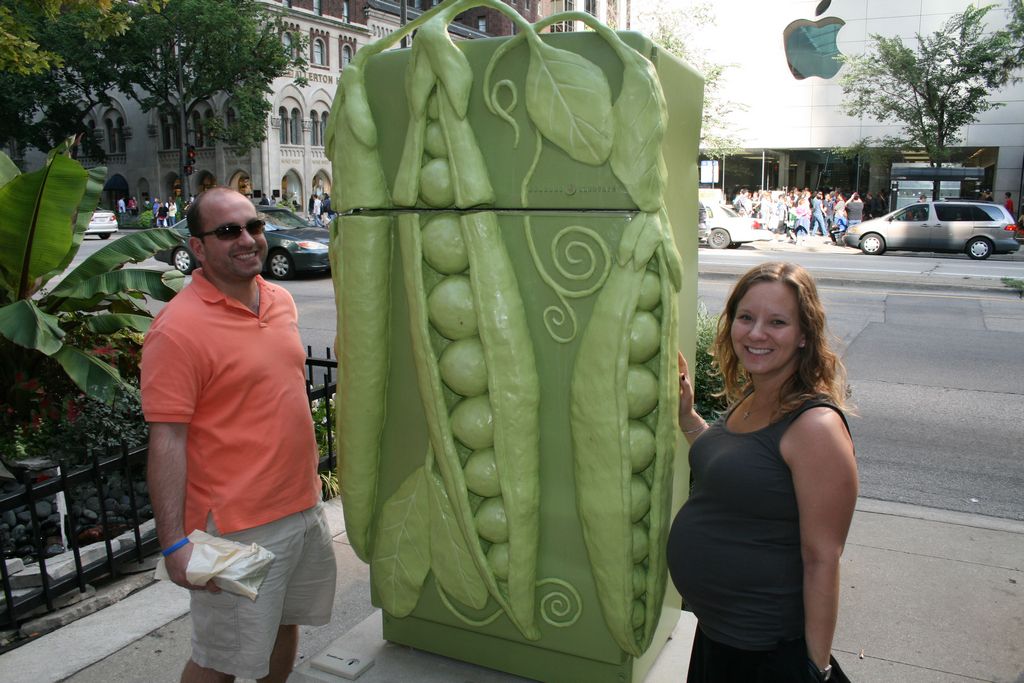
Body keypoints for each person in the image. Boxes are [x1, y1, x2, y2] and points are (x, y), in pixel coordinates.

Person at [141, 187, 337, 682]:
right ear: (198, 247)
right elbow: (167, 441)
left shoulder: (279, 299)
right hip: (236, 528)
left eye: (253, 226)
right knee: (221, 659)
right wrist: (174, 545)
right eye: (228, 231)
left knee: (284, 624)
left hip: (302, 505)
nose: (247, 239)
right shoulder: (177, 330)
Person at [668, 261, 857, 683]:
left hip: (763, 653)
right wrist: (688, 418)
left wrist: (816, 669)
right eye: (746, 317)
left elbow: (823, 559)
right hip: (718, 635)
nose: (756, 333)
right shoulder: (755, 399)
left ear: (804, 334)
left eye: (777, 322)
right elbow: (738, 471)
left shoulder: (815, 427)